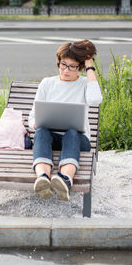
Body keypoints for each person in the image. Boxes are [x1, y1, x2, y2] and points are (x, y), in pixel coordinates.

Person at [28, 39, 102, 201]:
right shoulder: (47, 83)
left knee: (72, 132)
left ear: (80, 67)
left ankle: (65, 179)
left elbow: (95, 99)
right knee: (41, 131)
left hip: (77, 139)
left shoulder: (85, 84)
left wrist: (90, 65)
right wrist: (36, 122)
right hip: (51, 137)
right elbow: (31, 118)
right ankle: (43, 178)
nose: (66, 70)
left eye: (72, 66)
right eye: (63, 64)